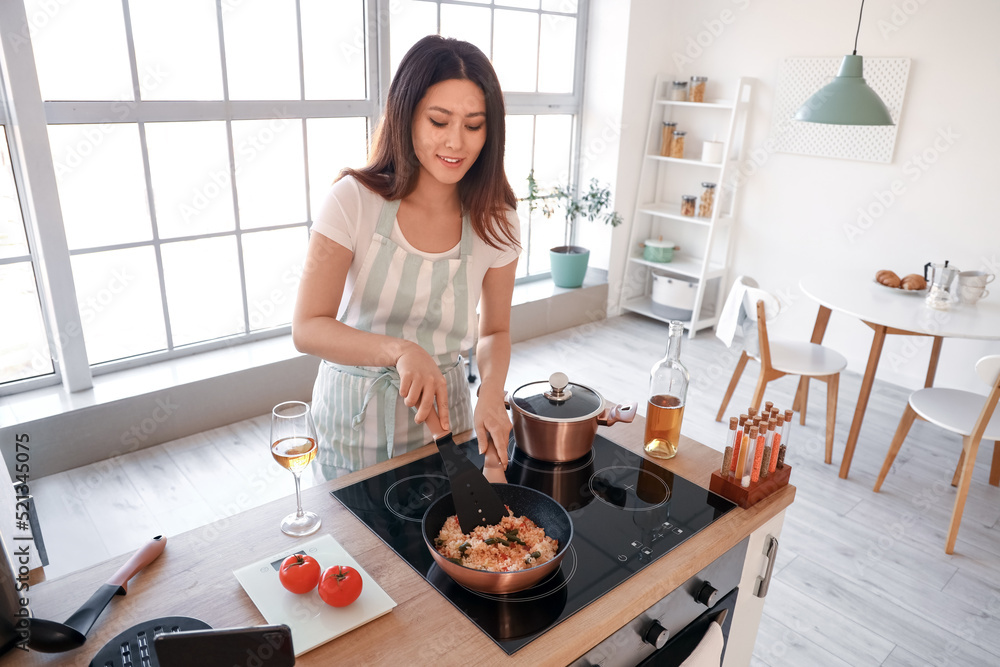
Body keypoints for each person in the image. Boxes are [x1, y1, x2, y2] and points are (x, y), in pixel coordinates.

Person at [292, 35, 520, 480]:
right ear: (406, 116)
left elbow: (495, 330)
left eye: (474, 126)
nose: (457, 143)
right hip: (352, 423)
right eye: (439, 121)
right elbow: (307, 327)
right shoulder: (353, 201)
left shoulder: (498, 218)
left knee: (438, 542)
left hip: (445, 423)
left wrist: (491, 392)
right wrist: (399, 351)